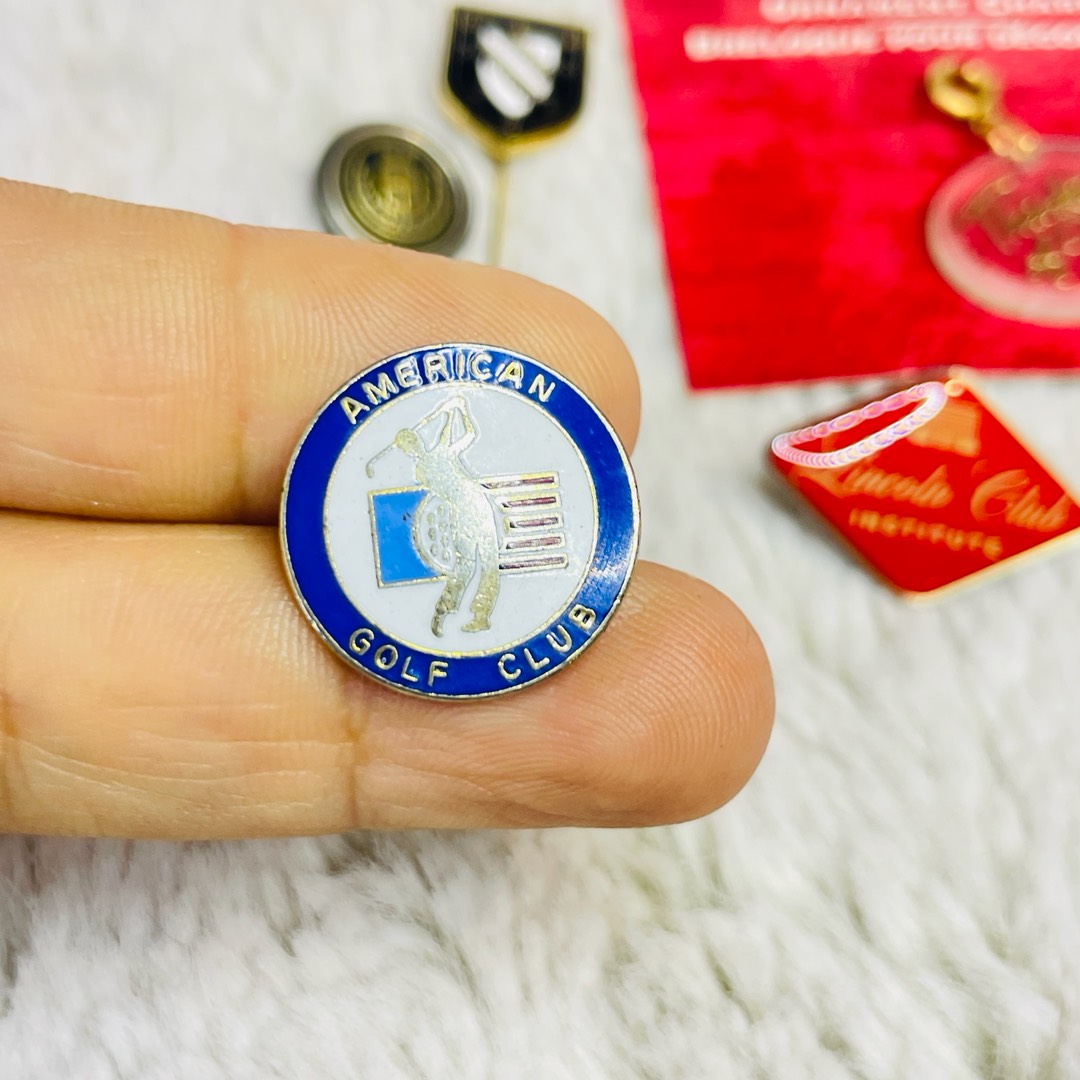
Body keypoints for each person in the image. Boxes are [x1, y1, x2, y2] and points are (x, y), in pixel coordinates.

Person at [0, 178, 774, 839]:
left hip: (458, 505)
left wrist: (433, 434)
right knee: (463, 563)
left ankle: (464, 610)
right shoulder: (420, 449)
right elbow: (408, 447)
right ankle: (457, 609)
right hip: (428, 509)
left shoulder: (450, 445)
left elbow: (454, 429)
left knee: (475, 561)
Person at [384, 396, 501, 637]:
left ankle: (481, 616)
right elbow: (447, 440)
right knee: (466, 567)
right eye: (408, 444)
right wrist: (454, 410)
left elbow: (468, 435)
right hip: (463, 514)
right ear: (407, 451)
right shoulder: (423, 469)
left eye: (413, 439)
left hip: (478, 505)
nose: (414, 444)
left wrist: (458, 410)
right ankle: (442, 611)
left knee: (490, 562)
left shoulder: (437, 455)